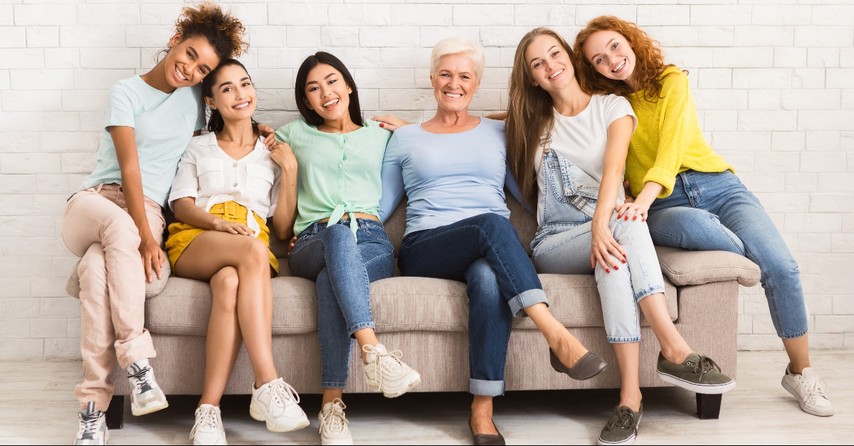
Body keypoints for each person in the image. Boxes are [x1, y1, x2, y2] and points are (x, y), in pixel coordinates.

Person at [574, 15, 833, 418]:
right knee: (696, 228)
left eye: (613, 47)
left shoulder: (672, 81)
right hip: (666, 206)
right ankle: (751, 258)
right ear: (593, 71)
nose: (610, 60)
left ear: (629, 41)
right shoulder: (610, 106)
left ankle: (800, 372)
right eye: (597, 60)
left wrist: (640, 199)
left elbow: (672, 148)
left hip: (717, 187)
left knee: (781, 266)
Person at [504, 27, 735, 445]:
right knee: (621, 230)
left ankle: (629, 399)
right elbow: (477, 122)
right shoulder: (531, 119)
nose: (550, 66)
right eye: (537, 64)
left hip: (607, 226)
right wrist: (417, 123)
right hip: (555, 240)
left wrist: (599, 227)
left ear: (571, 59)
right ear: (533, 79)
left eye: (554, 54)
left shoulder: (613, 106)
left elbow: (614, 170)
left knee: (616, 252)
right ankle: (675, 351)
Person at [380, 36, 608, 446]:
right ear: (431, 79)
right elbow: (380, 206)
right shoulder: (405, 138)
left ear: (477, 83)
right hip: (426, 247)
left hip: (486, 246)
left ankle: (482, 409)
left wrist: (598, 206)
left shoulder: (498, 132)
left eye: (465, 76)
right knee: (490, 224)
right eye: (445, 74)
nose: (454, 83)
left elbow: (530, 193)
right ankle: (555, 333)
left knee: (488, 278)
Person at [60, 3, 247, 445]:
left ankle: (92, 411)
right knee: (119, 231)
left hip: (144, 215)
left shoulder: (193, 101)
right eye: (188, 54)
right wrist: (147, 237)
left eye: (202, 68)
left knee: (94, 271)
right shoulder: (124, 91)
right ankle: (139, 363)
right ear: (174, 42)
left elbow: (232, 107)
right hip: (95, 202)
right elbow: (129, 168)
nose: (190, 69)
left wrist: (266, 136)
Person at [273, 51, 422, 445]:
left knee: (330, 282)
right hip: (312, 239)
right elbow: (239, 131)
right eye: (313, 88)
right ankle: (373, 352)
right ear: (306, 101)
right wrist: (286, 166)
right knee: (337, 235)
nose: (326, 93)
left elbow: (449, 135)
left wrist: (412, 129)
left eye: (332, 81)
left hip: (373, 240)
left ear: (349, 85)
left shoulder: (382, 133)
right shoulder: (291, 136)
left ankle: (332, 406)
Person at [164, 59, 308, 444]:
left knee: (229, 283)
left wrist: (290, 169)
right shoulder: (198, 146)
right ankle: (268, 382)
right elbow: (181, 203)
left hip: (250, 240)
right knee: (252, 253)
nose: (240, 94)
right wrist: (217, 224)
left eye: (245, 84)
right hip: (198, 235)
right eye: (227, 88)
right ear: (211, 100)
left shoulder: (273, 152)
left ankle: (207, 412)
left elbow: (280, 228)